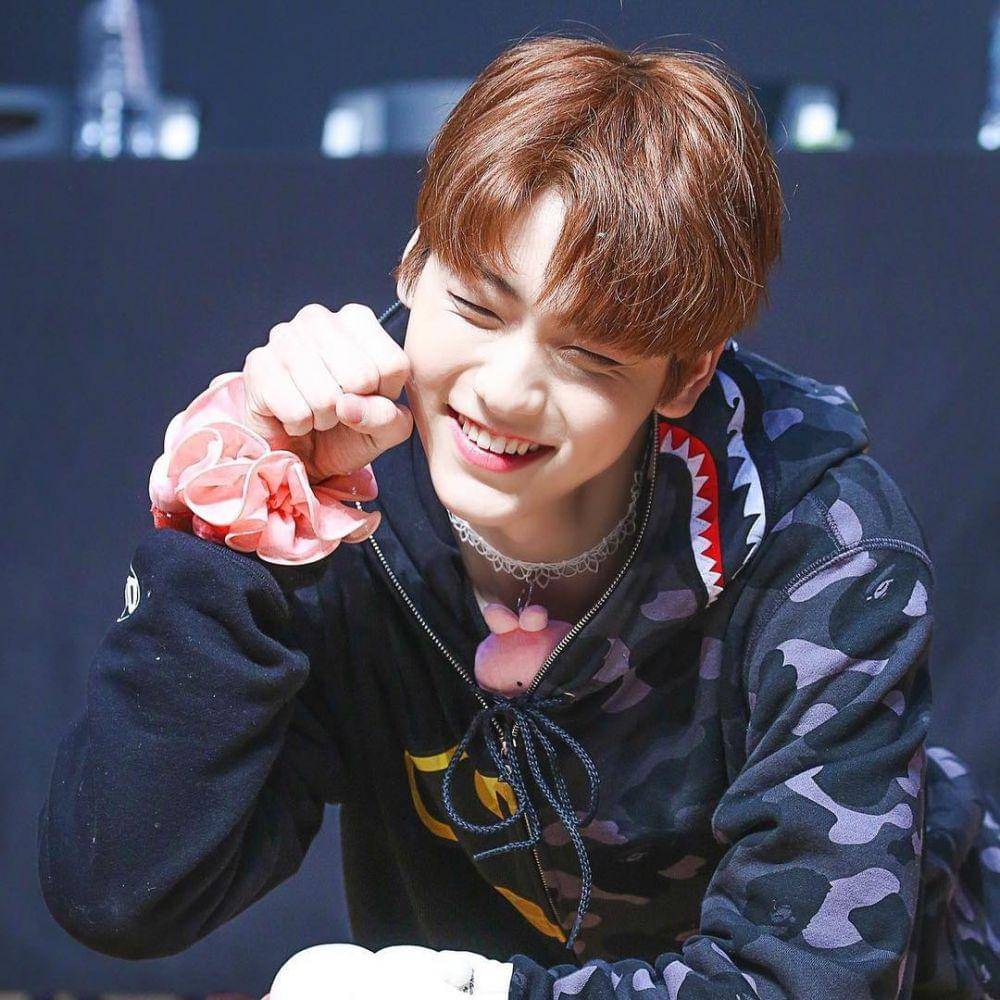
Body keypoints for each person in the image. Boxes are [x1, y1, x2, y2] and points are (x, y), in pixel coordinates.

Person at [37, 34, 998, 1000]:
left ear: (685, 372)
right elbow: (120, 890)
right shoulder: (338, 492)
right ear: (412, 267)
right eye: (478, 307)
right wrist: (238, 522)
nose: (506, 391)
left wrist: (482, 995)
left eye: (591, 355)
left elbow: (811, 983)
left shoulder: (821, 542)